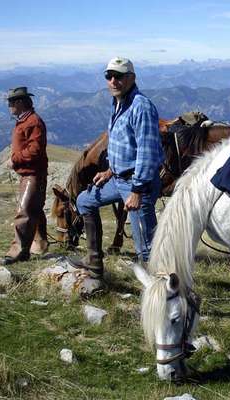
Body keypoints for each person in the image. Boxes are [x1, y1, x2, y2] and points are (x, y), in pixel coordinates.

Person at [72, 57, 164, 294]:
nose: (113, 81)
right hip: (119, 178)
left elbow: (147, 151)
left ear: (132, 78)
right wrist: (110, 170)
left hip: (136, 184)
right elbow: (124, 145)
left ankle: (160, 293)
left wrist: (137, 191)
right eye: (109, 76)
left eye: (119, 76)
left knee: (145, 246)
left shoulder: (140, 106)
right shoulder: (119, 103)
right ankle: (94, 262)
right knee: (84, 200)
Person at [0, 87, 49, 265]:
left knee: (24, 211)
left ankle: (18, 251)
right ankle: (38, 245)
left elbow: (35, 150)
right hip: (28, 174)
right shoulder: (24, 121)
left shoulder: (33, 122)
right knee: (33, 209)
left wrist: (15, 159)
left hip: (33, 174)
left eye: (11, 102)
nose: (9, 106)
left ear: (20, 103)